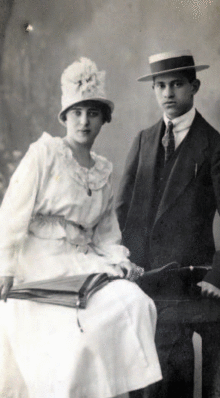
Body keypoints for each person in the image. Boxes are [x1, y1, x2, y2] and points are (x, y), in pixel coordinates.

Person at [0, 57, 162, 398]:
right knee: (76, 337)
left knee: (134, 302)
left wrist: (118, 258)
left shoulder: (102, 170)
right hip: (39, 263)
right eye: (77, 112)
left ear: (104, 118)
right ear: (65, 117)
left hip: (83, 262)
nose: (84, 121)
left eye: (92, 112)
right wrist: (6, 268)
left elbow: (106, 232)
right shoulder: (44, 154)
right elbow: (12, 214)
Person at [116, 50, 220, 398]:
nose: (168, 93)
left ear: (194, 86)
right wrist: (119, 259)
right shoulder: (143, 140)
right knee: (141, 375)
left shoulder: (217, 147)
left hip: (188, 280)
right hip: (141, 278)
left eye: (177, 84)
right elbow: (121, 210)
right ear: (153, 89)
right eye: (161, 85)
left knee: (171, 373)